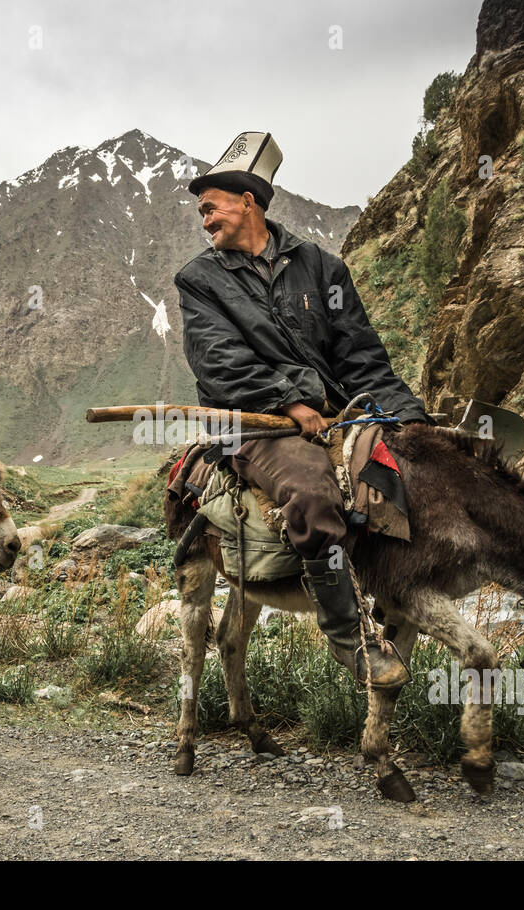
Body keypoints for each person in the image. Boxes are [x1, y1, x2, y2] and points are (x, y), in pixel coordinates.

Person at [176, 132, 432, 689]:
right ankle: (350, 635)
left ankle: (399, 591)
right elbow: (217, 362)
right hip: (250, 423)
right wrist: (288, 398)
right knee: (313, 491)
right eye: (201, 213)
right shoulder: (200, 282)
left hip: (336, 414)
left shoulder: (321, 267)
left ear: (249, 200)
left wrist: (412, 420)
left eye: (210, 208)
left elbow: (361, 356)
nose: (204, 221)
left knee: (414, 474)